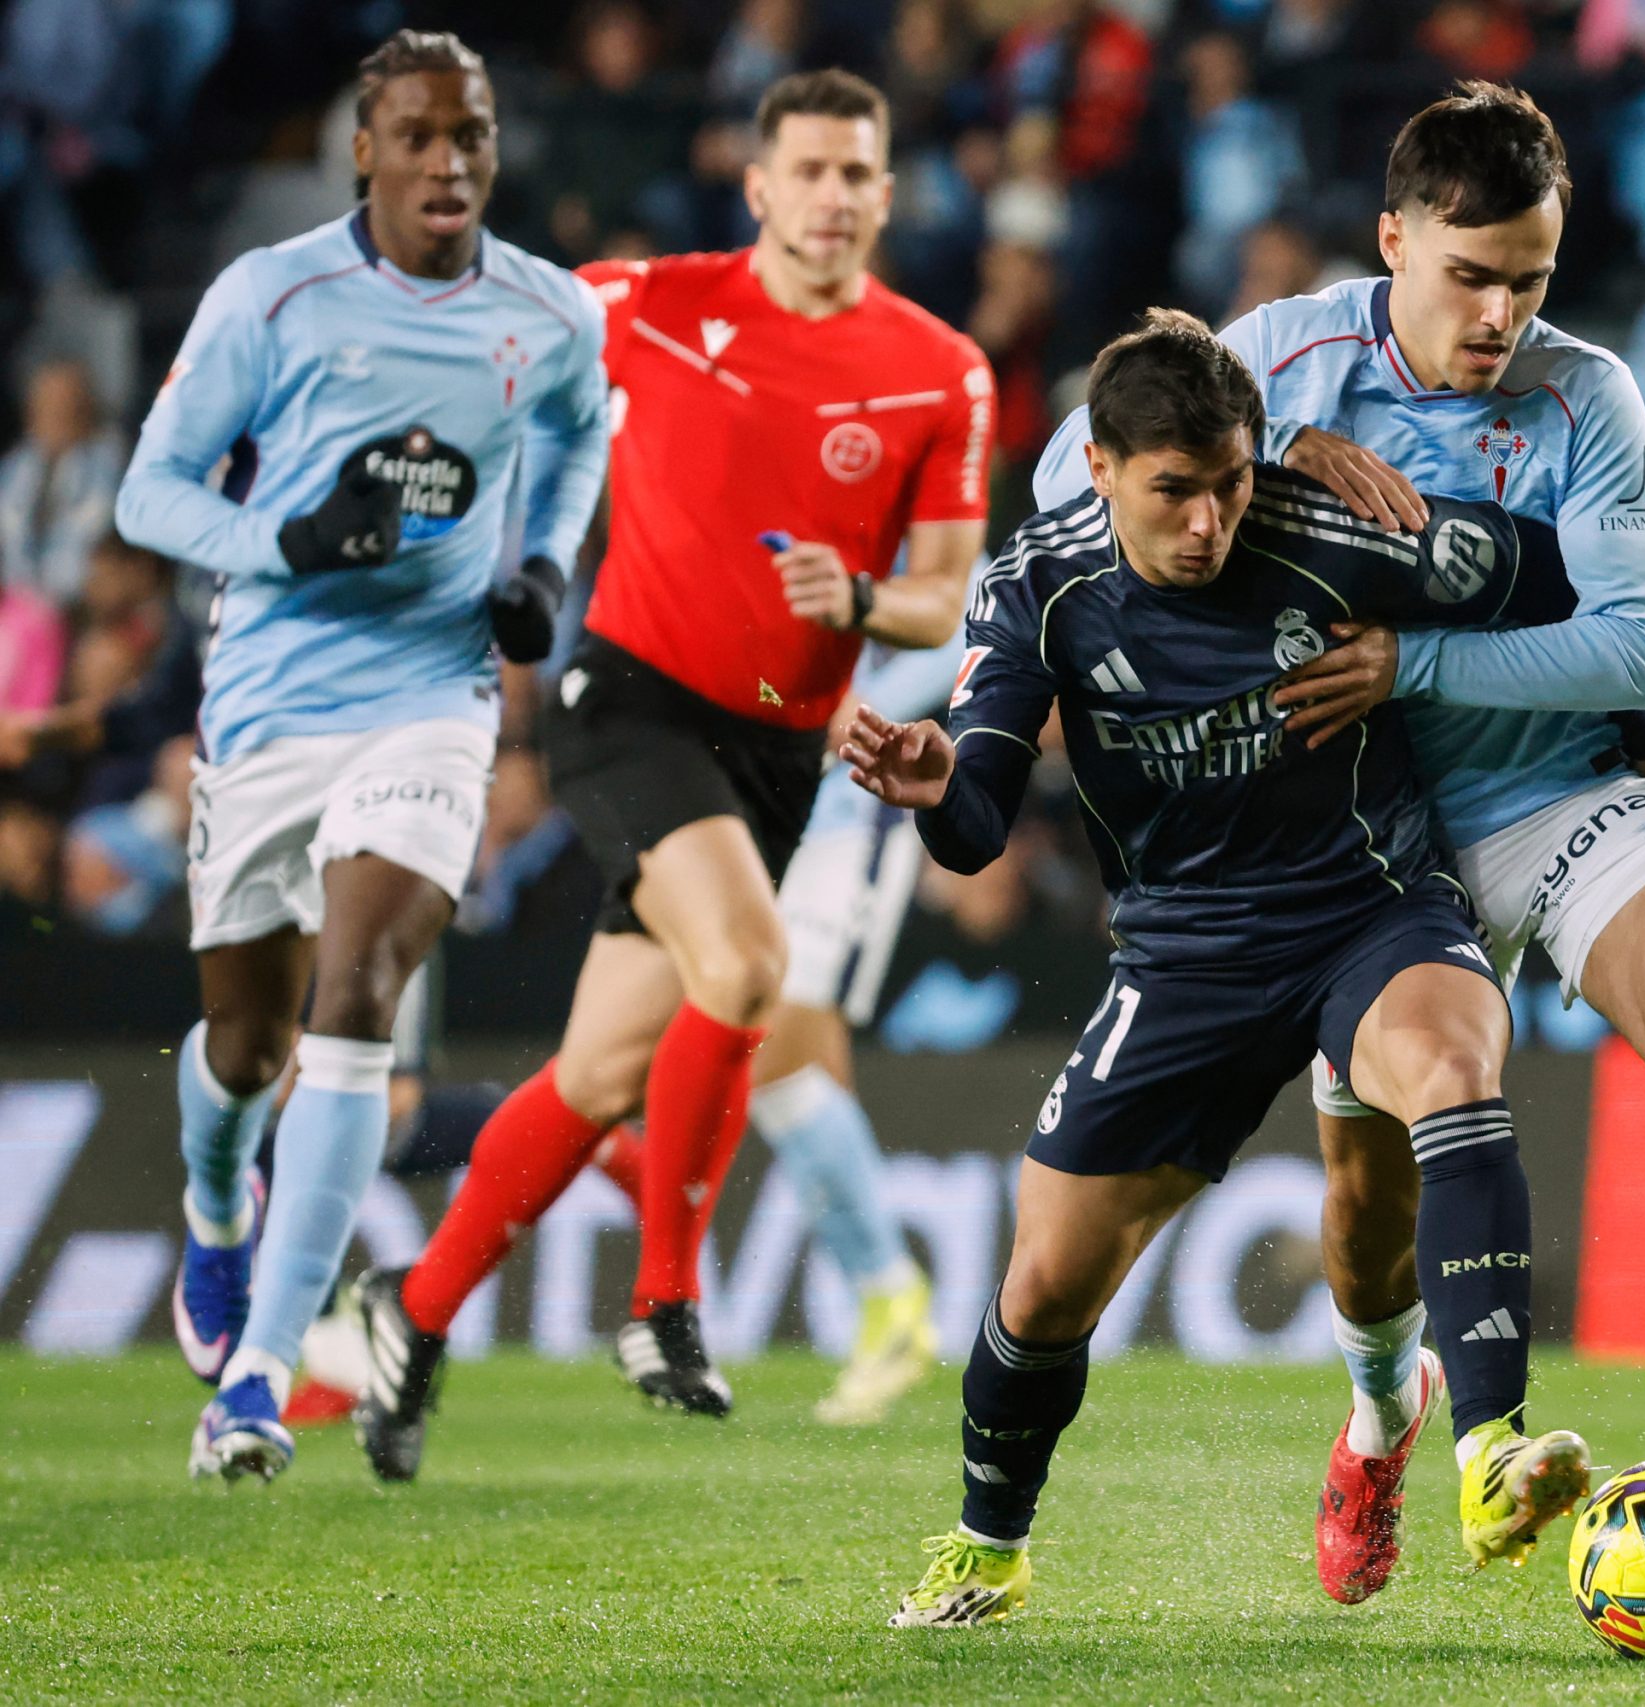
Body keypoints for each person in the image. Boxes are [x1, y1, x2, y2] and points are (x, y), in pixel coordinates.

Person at [1035, 83, 1645, 1607]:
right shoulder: (1278, 355)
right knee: (1366, 1214)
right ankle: (1377, 1411)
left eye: (1528, 279)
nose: (1498, 315)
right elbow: (1065, 493)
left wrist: (1412, 660)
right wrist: (1269, 471)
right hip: (1372, 845)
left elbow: (1635, 645)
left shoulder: (1589, 393)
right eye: (1469, 276)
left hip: (1555, 793)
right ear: (1392, 238)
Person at [876, 311, 1605, 1628]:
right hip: (1185, 955)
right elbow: (975, 815)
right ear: (1096, 468)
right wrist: (937, 785)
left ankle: (1491, 1451)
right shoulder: (1038, 584)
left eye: (1229, 480)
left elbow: (1567, 581)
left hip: (1368, 912)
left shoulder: (1336, 530)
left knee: (1450, 1066)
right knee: (1043, 1282)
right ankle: (989, 1542)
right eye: (1174, 492)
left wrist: (1642, 711)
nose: (1209, 520)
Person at [352, 69, 992, 1482]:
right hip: (626, 698)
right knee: (754, 962)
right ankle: (664, 1299)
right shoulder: (644, 301)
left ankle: (411, 1310)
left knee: (593, 1072)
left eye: (857, 175)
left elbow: (942, 598)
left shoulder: (939, 366)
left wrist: (866, 597)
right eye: (808, 171)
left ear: (887, 196)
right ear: (757, 186)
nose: (833, 197)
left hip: (776, 748)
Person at [113, 29, 610, 1482]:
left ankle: (257, 1376)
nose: (448, 161)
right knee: (244, 1044)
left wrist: (540, 564)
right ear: (365, 150)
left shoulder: (550, 313)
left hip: (433, 694)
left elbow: (581, 435)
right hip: (271, 700)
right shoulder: (270, 295)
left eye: (471, 135)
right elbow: (154, 489)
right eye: (417, 136)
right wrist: (283, 538)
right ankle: (217, 1214)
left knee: (361, 992)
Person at [754, 586, 978, 1425]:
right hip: (782, 810)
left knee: (772, 1056)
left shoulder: (932, 543)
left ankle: (888, 1289)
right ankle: (883, 1304)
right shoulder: (797, 528)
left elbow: (967, 635)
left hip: (854, 812)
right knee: (797, 1069)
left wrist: (843, 711)